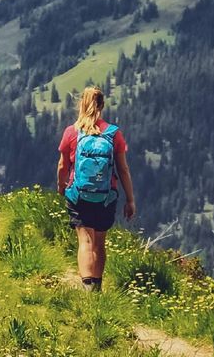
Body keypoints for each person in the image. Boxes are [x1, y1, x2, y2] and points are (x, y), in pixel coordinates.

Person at [56, 85, 135, 292]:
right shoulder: (113, 134)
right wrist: (130, 199)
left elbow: (63, 166)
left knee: (85, 241)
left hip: (78, 195)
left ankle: (87, 288)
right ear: (101, 105)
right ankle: (98, 289)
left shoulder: (71, 132)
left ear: (82, 104)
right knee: (99, 242)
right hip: (106, 197)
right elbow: (123, 169)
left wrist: (62, 186)